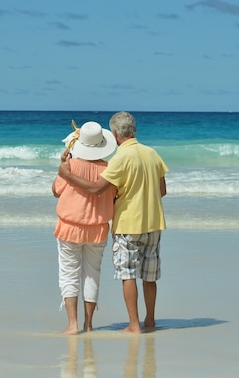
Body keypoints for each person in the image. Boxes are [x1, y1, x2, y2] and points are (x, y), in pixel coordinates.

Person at [58, 111, 168, 333]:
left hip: (129, 223)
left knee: (128, 274)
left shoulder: (120, 158)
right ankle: (150, 321)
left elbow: (97, 189)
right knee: (150, 275)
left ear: (116, 134)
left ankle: (134, 325)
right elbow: (162, 190)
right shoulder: (152, 153)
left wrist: (68, 176)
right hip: (154, 222)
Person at [52, 121, 117, 334]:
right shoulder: (109, 169)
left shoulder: (70, 166)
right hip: (98, 227)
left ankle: (72, 324)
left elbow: (56, 190)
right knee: (92, 274)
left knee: (69, 273)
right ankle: (89, 325)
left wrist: (64, 167)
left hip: (70, 226)